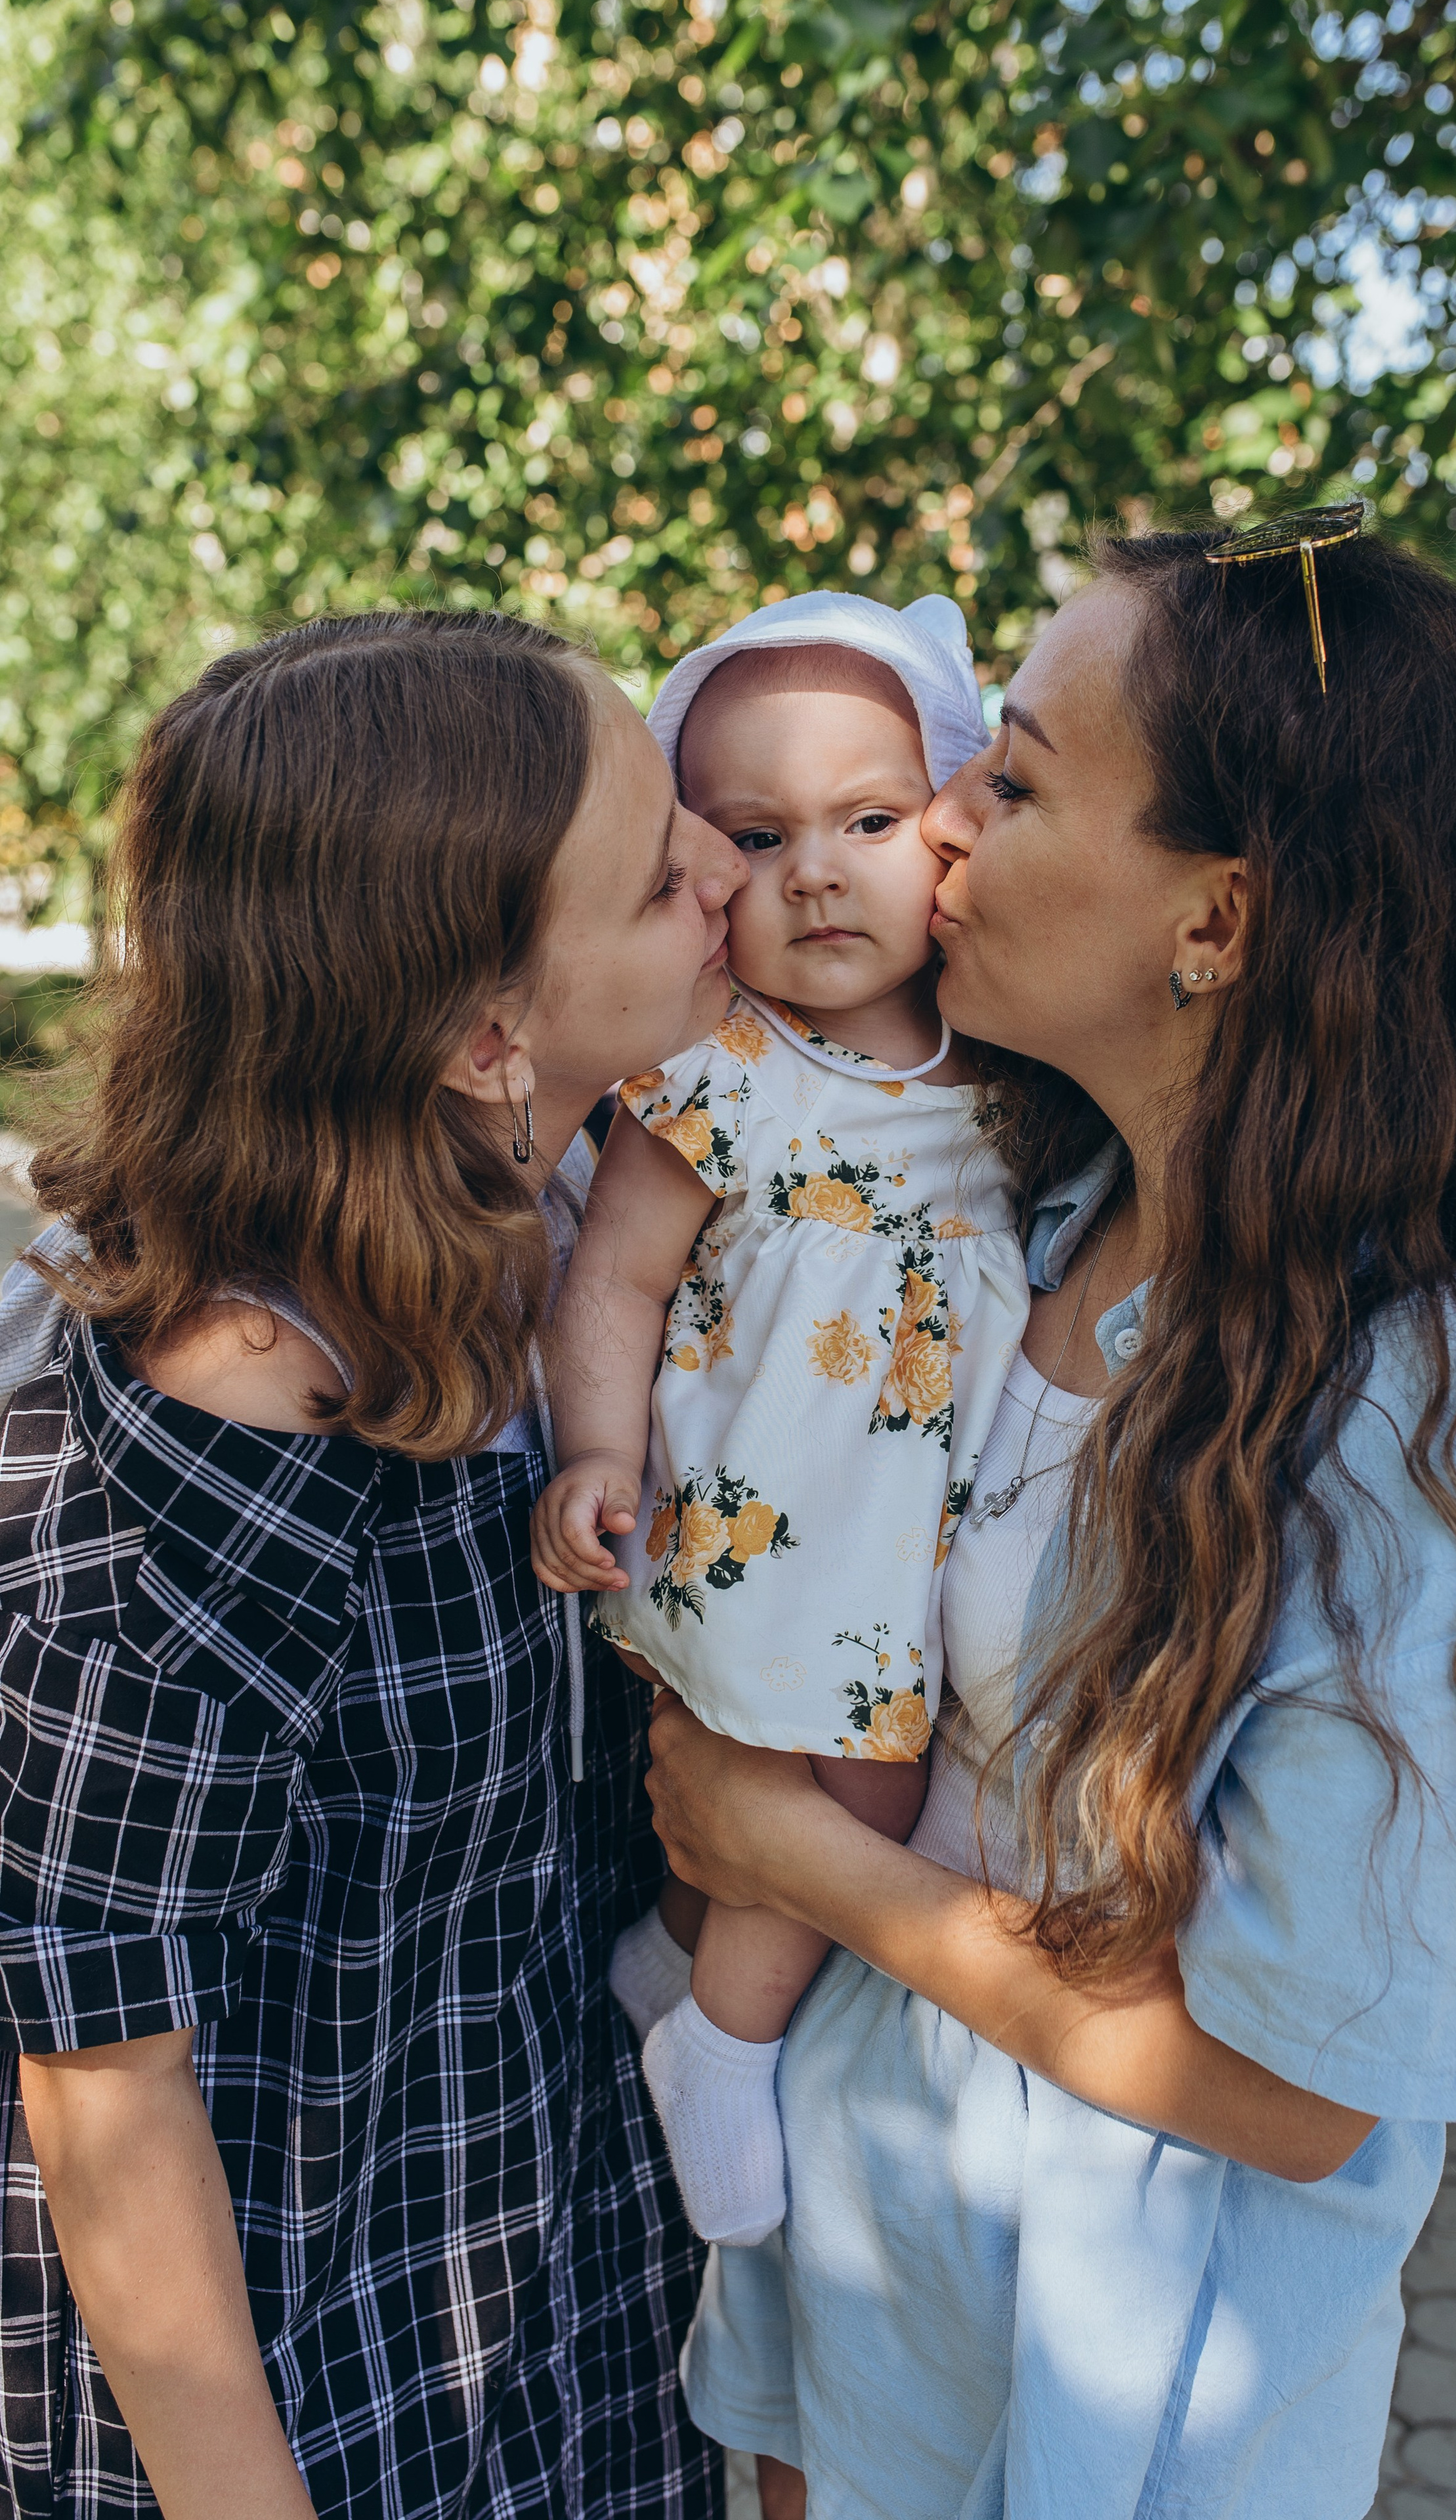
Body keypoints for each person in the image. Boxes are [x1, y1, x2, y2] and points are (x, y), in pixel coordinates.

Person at [639, 524, 1456, 2520]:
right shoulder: (1022, 1226)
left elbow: (1295, 2096)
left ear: (1219, 917)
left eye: (1013, 780)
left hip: (1122, 2407)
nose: (937, 825)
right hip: (855, 2298)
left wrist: (794, 1861)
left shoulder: (1439, 1420)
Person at [0, 609, 748, 2520]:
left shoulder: (565, 1220)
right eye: (667, 876)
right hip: (303, 2351)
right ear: (489, 1033)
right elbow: (103, 2057)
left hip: (523, 2262)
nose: (730, 877)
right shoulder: (242, 1407)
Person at [530, 593, 1025, 2254]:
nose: (816, 871)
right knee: (807, 1796)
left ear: (946, 824)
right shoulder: (719, 1072)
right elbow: (608, 1279)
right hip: (757, 1532)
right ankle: (723, 2047)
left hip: (925, 1554)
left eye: (869, 822)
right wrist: (597, 1453)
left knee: (826, 1809)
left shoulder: (1010, 1079)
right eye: (757, 832)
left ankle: (680, 1978)